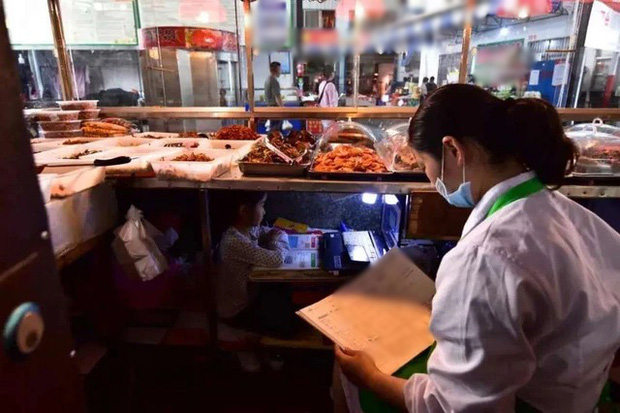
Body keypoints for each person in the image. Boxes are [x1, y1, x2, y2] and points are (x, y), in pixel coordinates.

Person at [335, 84, 620, 412]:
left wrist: (369, 377)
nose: (430, 180)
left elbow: (451, 406)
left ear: (453, 150)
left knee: (349, 368)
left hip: (527, 402)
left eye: (425, 164)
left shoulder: (486, 257)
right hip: (579, 394)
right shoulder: (578, 218)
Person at [217, 191, 290, 370]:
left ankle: (262, 345)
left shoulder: (248, 228)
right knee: (288, 322)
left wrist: (275, 240)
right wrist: (274, 243)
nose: (264, 212)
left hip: (250, 296)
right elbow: (277, 259)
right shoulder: (234, 241)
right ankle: (250, 346)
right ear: (244, 210)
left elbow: (278, 233)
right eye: (262, 205)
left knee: (285, 295)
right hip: (237, 311)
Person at [318, 64, 338, 130]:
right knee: (331, 136)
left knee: (325, 134)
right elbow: (332, 103)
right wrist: (335, 117)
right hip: (330, 116)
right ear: (331, 73)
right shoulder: (330, 85)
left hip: (323, 114)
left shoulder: (322, 84)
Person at [264, 61, 283, 131]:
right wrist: (283, 109)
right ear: (276, 69)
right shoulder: (274, 81)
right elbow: (277, 97)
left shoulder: (267, 80)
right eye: (280, 69)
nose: (281, 71)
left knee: (272, 130)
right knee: (276, 132)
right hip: (275, 110)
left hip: (269, 109)